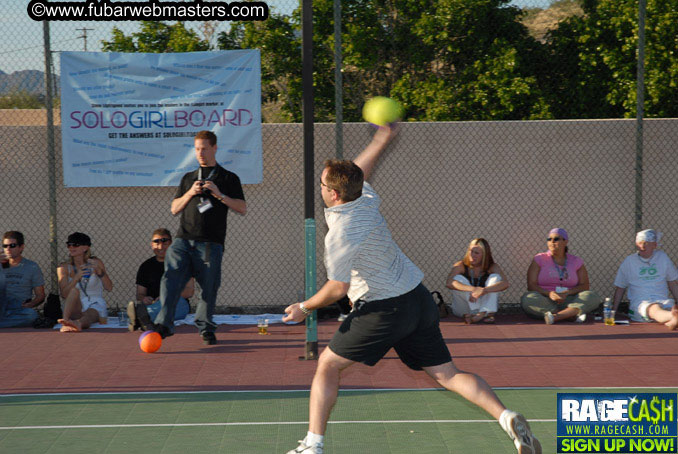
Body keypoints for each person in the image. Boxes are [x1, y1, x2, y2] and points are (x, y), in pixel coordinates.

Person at [283, 126, 541, 454]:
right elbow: (362, 172)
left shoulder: (340, 233)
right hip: (418, 300)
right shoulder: (365, 198)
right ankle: (506, 417)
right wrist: (380, 140)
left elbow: (337, 288)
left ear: (333, 194)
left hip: (383, 309)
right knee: (448, 374)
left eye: (321, 183)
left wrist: (304, 307)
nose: (319, 186)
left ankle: (313, 446)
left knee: (327, 366)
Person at [152, 130, 247, 345]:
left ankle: (205, 327)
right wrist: (190, 193)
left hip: (209, 243)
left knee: (209, 287)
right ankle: (164, 325)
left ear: (214, 148)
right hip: (183, 240)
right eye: (197, 149)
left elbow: (242, 208)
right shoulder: (188, 178)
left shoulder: (228, 177)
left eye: (204, 148)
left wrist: (218, 194)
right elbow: (174, 209)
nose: (200, 153)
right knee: (170, 279)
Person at [521, 228, 601, 324]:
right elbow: (531, 285)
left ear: (565, 241)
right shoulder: (539, 259)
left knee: (592, 296)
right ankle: (569, 315)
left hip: (569, 300)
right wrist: (549, 294)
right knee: (528, 299)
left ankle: (555, 316)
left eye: (556, 239)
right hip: (546, 299)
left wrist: (567, 293)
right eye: (549, 239)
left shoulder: (576, 261)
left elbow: (584, 285)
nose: (552, 242)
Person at [128, 228, 193, 331]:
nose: (161, 246)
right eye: (156, 242)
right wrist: (144, 298)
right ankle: (143, 318)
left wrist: (166, 297)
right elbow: (140, 294)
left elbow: (189, 291)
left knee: (171, 305)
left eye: (165, 242)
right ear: (152, 245)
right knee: (151, 309)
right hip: (154, 305)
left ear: (171, 243)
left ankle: (140, 318)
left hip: (178, 303)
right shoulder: (145, 266)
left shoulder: (182, 262)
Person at [612, 229, 678, 329]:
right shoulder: (629, 261)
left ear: (654, 245)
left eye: (646, 243)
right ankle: (672, 316)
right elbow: (620, 288)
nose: (642, 246)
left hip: (663, 300)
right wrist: (614, 311)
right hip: (641, 303)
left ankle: (672, 320)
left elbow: (672, 283)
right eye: (639, 243)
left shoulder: (663, 257)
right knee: (654, 309)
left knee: (668, 307)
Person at [57, 232, 113, 332]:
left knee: (90, 313)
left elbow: (109, 288)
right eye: (69, 245)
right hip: (76, 305)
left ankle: (79, 324)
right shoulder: (64, 267)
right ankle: (65, 322)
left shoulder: (96, 262)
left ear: (85, 248)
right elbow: (64, 294)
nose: (71, 247)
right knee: (74, 291)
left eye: (75, 245)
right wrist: (76, 278)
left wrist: (101, 272)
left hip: (95, 303)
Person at [445, 238, 509, 324]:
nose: (472, 255)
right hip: (463, 308)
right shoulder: (461, 265)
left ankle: (481, 314)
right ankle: (481, 314)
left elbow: (505, 283)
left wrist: (483, 290)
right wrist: (473, 290)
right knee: (458, 279)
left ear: (485, 255)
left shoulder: (492, 266)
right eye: (471, 251)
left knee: (496, 278)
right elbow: (449, 283)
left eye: (477, 253)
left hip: (484, 306)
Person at [0, 231, 45, 328]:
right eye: (5, 245)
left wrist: (31, 304)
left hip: (18, 307)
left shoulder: (32, 267)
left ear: (21, 247)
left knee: (31, 315)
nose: (8, 249)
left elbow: (40, 295)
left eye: (12, 245)